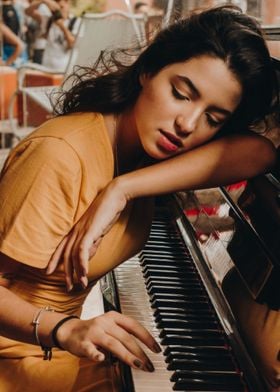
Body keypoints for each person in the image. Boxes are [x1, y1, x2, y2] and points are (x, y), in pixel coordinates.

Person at [0, 5, 278, 392]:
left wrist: (123, 188)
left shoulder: (141, 159)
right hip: (17, 363)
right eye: (181, 93)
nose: (187, 124)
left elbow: (260, 152)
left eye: (213, 119)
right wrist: (64, 328)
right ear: (148, 70)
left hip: (58, 356)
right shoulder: (60, 154)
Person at [25, 0, 79, 71]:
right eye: (56, 9)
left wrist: (61, 25)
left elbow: (72, 44)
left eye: (61, 7)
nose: (59, 11)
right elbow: (27, 12)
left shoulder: (76, 22)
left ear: (68, 3)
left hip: (65, 70)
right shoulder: (49, 20)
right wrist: (43, 1)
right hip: (47, 68)